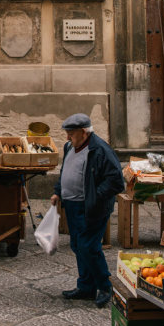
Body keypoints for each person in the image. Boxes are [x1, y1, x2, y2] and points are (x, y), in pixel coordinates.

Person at [50, 113, 124, 308]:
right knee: (77, 245)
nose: (67, 138)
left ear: (83, 133)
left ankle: (105, 286)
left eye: (70, 134)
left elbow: (116, 181)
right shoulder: (70, 147)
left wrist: (94, 196)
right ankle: (86, 287)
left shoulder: (100, 150)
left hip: (92, 208)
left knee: (88, 247)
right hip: (72, 205)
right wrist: (58, 192)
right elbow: (65, 171)